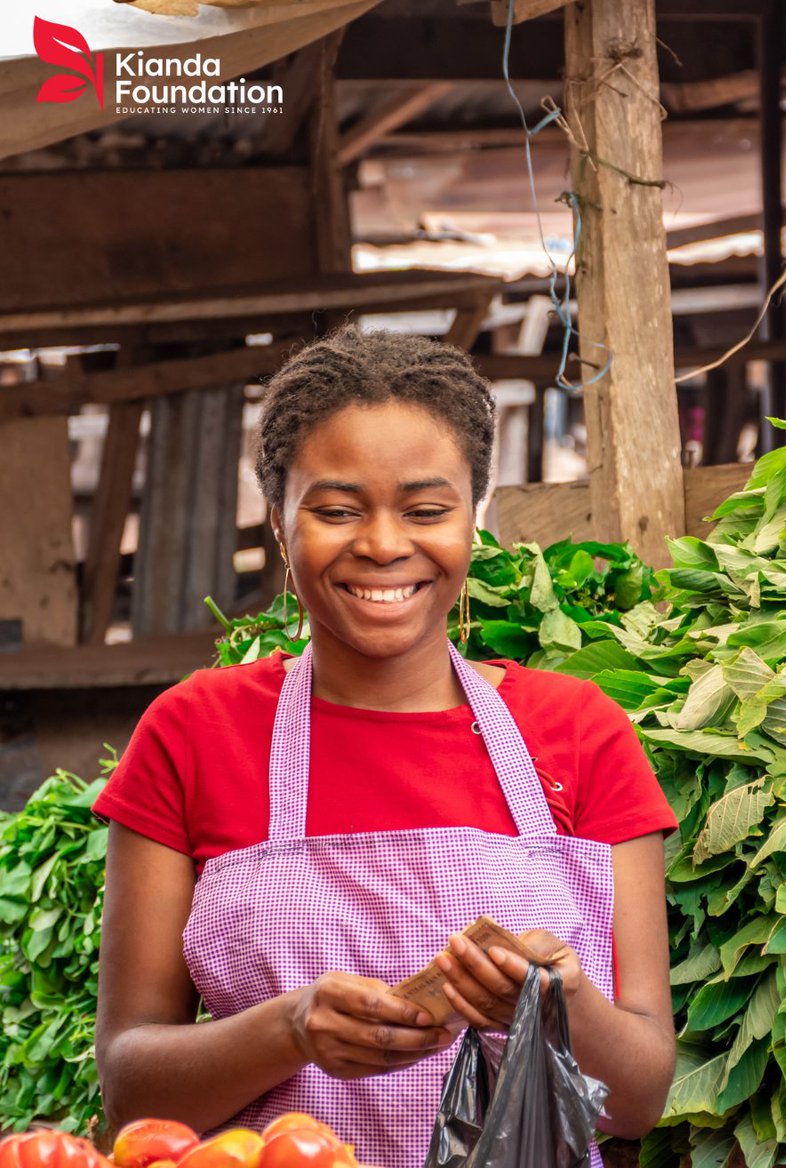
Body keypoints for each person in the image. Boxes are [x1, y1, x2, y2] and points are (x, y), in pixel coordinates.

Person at [94, 326, 677, 1168]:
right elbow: (128, 1097)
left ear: (472, 516)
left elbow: (639, 1102)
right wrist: (289, 1029)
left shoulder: (581, 731)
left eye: (426, 509)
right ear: (278, 520)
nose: (381, 543)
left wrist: (556, 1007)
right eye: (334, 510)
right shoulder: (193, 732)